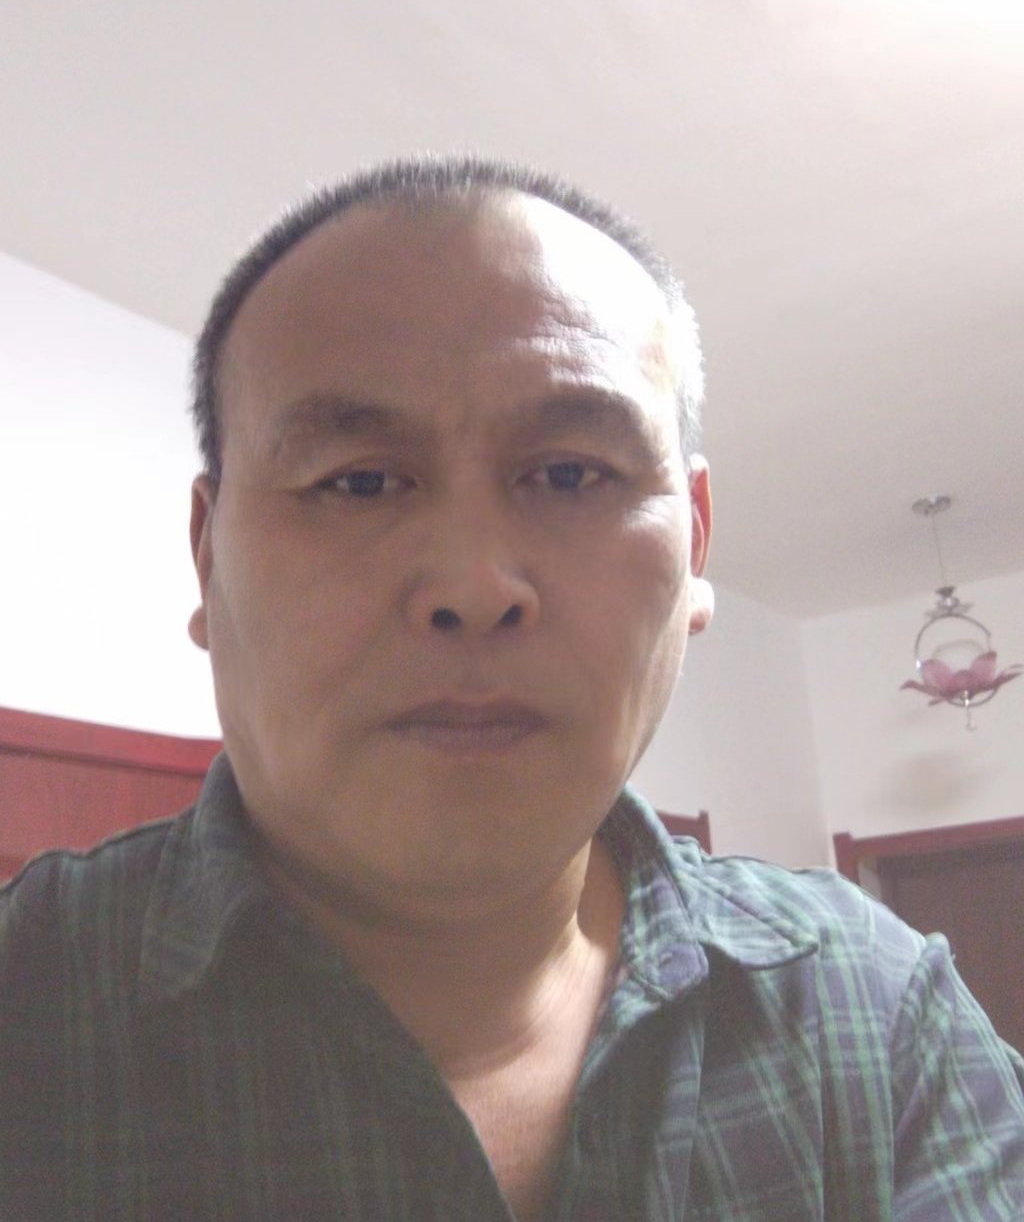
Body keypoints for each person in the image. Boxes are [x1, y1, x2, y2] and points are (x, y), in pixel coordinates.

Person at [1, 156, 1022, 1221]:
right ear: (209, 560)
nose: (475, 586)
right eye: (359, 481)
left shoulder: (878, 1016)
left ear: (694, 549)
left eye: (572, 473)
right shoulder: (29, 1008)